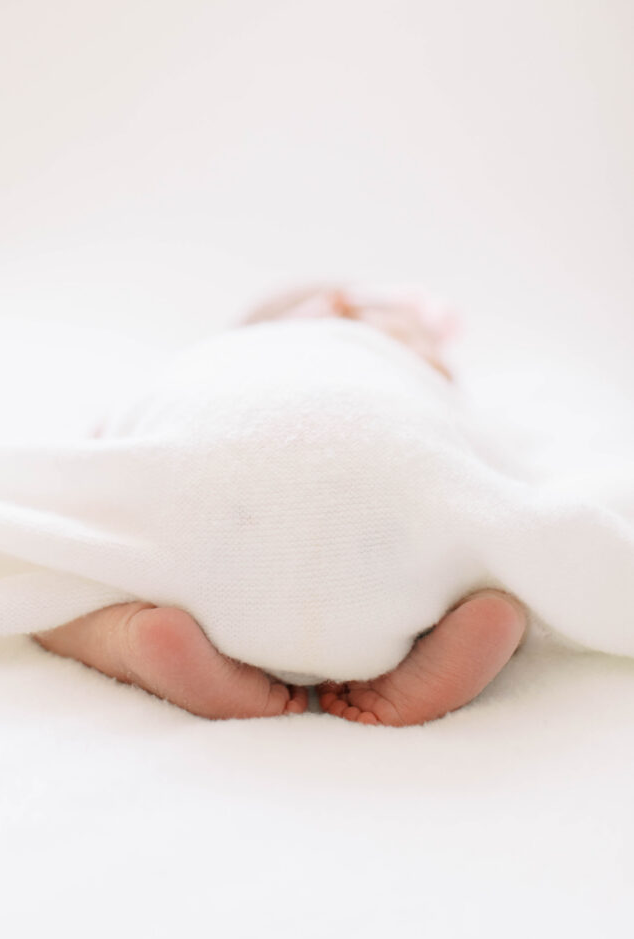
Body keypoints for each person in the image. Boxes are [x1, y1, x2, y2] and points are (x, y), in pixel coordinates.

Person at [34, 284, 528, 726]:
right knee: (506, 549)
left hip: (210, 519)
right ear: (342, 306)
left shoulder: (209, 369)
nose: (445, 365)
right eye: (427, 339)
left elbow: (99, 449)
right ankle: (471, 616)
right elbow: (504, 474)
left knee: (45, 576)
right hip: (385, 523)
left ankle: (128, 636)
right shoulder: (389, 370)